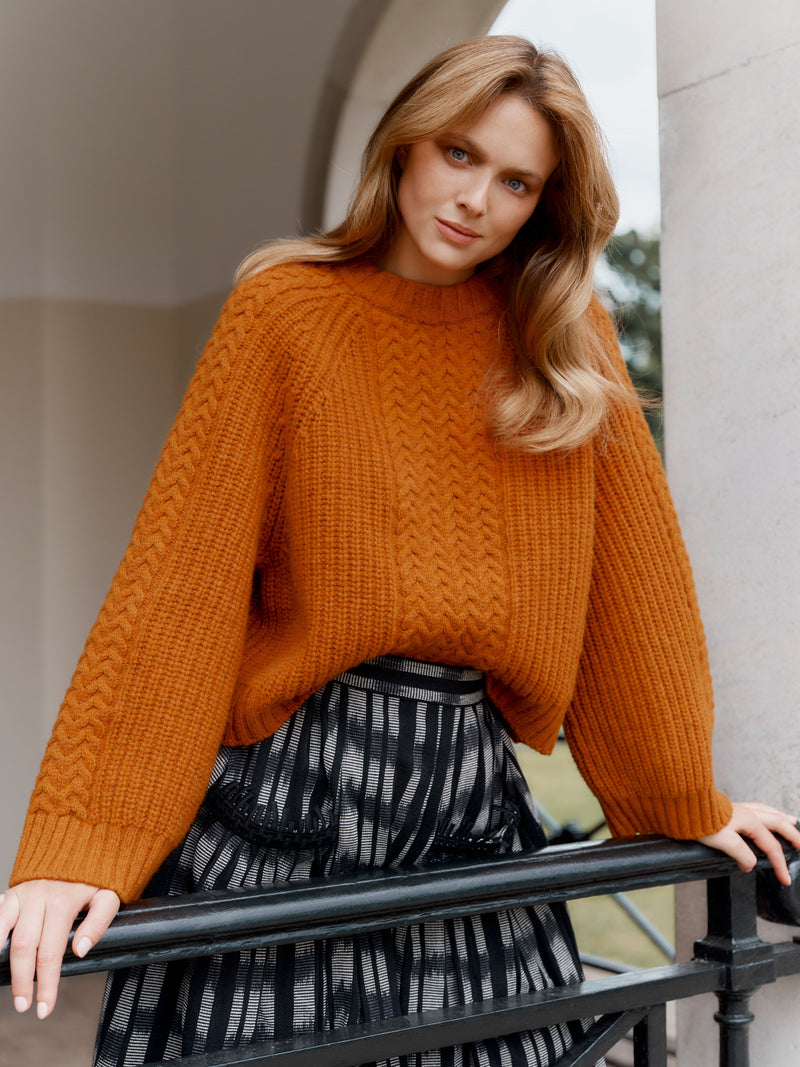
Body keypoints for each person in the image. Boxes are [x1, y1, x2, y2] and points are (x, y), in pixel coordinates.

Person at [1, 33, 798, 1067]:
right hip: (285, 797)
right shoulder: (284, 309)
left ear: (542, 204)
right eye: (459, 155)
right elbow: (177, 587)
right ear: (409, 144)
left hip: (465, 796)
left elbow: (628, 596)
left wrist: (682, 799)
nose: (475, 198)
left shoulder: (561, 334)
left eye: (516, 181)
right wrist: (81, 838)